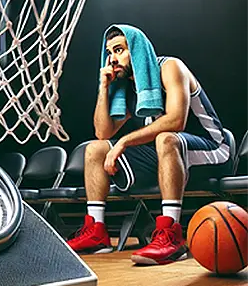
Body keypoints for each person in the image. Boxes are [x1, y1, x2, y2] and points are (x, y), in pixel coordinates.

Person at [66, 24, 232, 265]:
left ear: (137, 49)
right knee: (95, 149)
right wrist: (104, 88)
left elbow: (176, 120)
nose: (112, 58)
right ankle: (97, 232)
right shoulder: (128, 87)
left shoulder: (170, 67)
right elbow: (103, 132)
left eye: (120, 50)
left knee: (166, 138)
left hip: (214, 148)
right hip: (168, 153)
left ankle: (171, 233)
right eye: (110, 52)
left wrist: (124, 141)